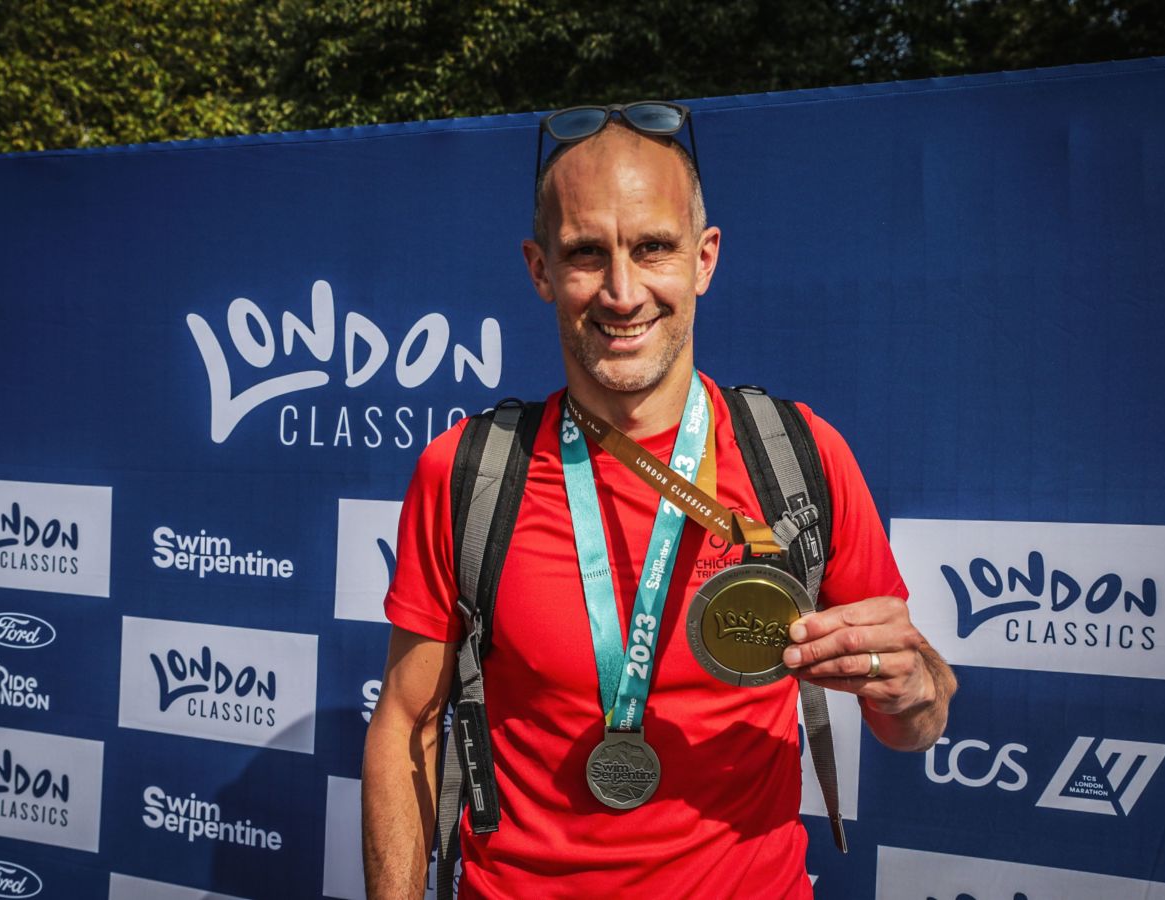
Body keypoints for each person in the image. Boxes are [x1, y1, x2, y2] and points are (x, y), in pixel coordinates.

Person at [362, 102, 957, 899]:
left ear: (704, 259)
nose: (620, 289)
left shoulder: (802, 455)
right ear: (539, 270)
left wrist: (914, 686)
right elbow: (408, 722)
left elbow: (917, 721)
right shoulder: (466, 472)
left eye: (652, 248)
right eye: (585, 253)